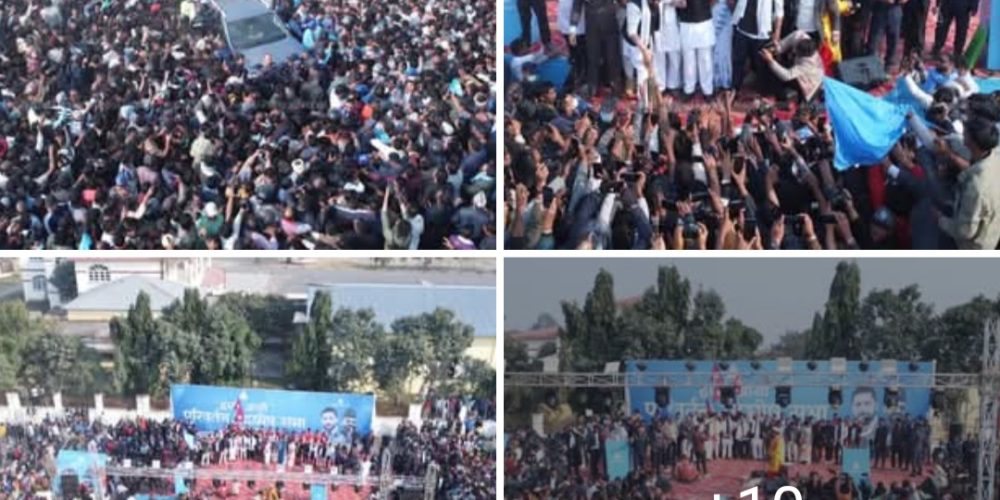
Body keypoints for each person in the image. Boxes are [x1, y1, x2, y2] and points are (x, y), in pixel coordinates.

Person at [938, 118, 1000, 249]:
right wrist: (949, 153)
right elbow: (974, 170)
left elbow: (965, 231)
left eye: (965, 133)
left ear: (972, 143)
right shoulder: (994, 156)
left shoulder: (976, 188)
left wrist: (940, 220)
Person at [760, 31, 825, 101]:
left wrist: (771, 61)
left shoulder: (809, 63)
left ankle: (775, 94)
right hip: (795, 64)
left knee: (777, 76)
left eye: (797, 52)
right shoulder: (798, 35)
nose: (794, 51)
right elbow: (782, 45)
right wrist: (775, 49)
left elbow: (787, 76)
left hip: (810, 81)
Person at [678, 0, 717, 99]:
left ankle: (708, 90)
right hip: (686, 21)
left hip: (704, 20)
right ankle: (689, 89)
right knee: (688, 60)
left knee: (705, 59)